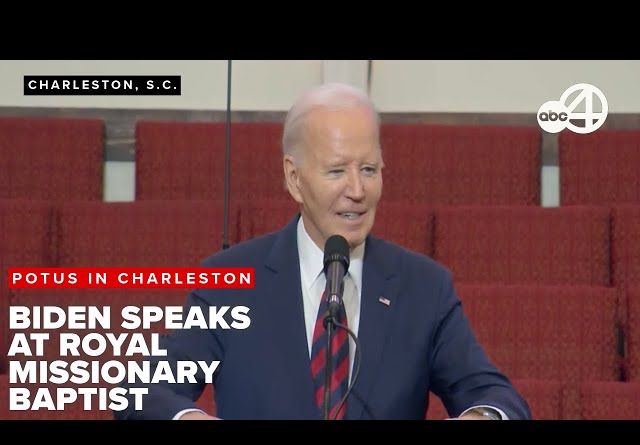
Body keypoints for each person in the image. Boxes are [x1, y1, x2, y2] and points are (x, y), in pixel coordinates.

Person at [113, 82, 531, 420]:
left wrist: (484, 417)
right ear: (294, 179)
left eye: (369, 169)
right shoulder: (229, 283)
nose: (357, 190)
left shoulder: (424, 287)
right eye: (336, 171)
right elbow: (141, 390)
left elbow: (496, 396)